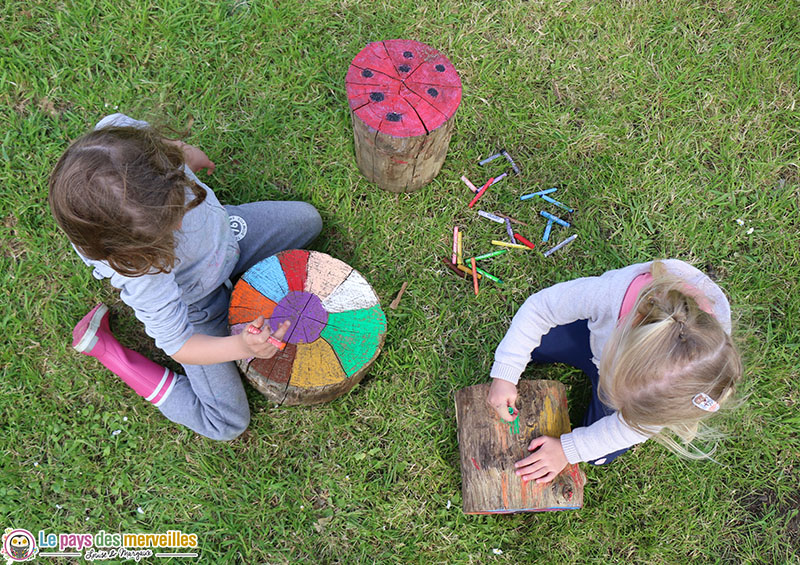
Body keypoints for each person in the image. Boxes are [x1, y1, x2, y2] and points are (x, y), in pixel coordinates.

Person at [49, 114, 322, 440]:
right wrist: (240, 345)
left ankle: (234, 277)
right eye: (169, 227)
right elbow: (181, 346)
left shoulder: (122, 146)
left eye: (179, 198)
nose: (182, 222)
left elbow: (145, 137)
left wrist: (182, 153)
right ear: (136, 249)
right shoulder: (144, 274)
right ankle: (111, 353)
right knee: (227, 423)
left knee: (309, 220)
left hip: (229, 239)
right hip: (198, 304)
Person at [486, 259, 742, 483]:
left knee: (599, 454)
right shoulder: (607, 297)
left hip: (619, 351)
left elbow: (630, 429)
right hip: (591, 337)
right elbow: (540, 309)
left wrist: (567, 450)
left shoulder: (690, 382)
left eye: (625, 407)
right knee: (535, 341)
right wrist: (506, 373)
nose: (606, 396)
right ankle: (587, 359)